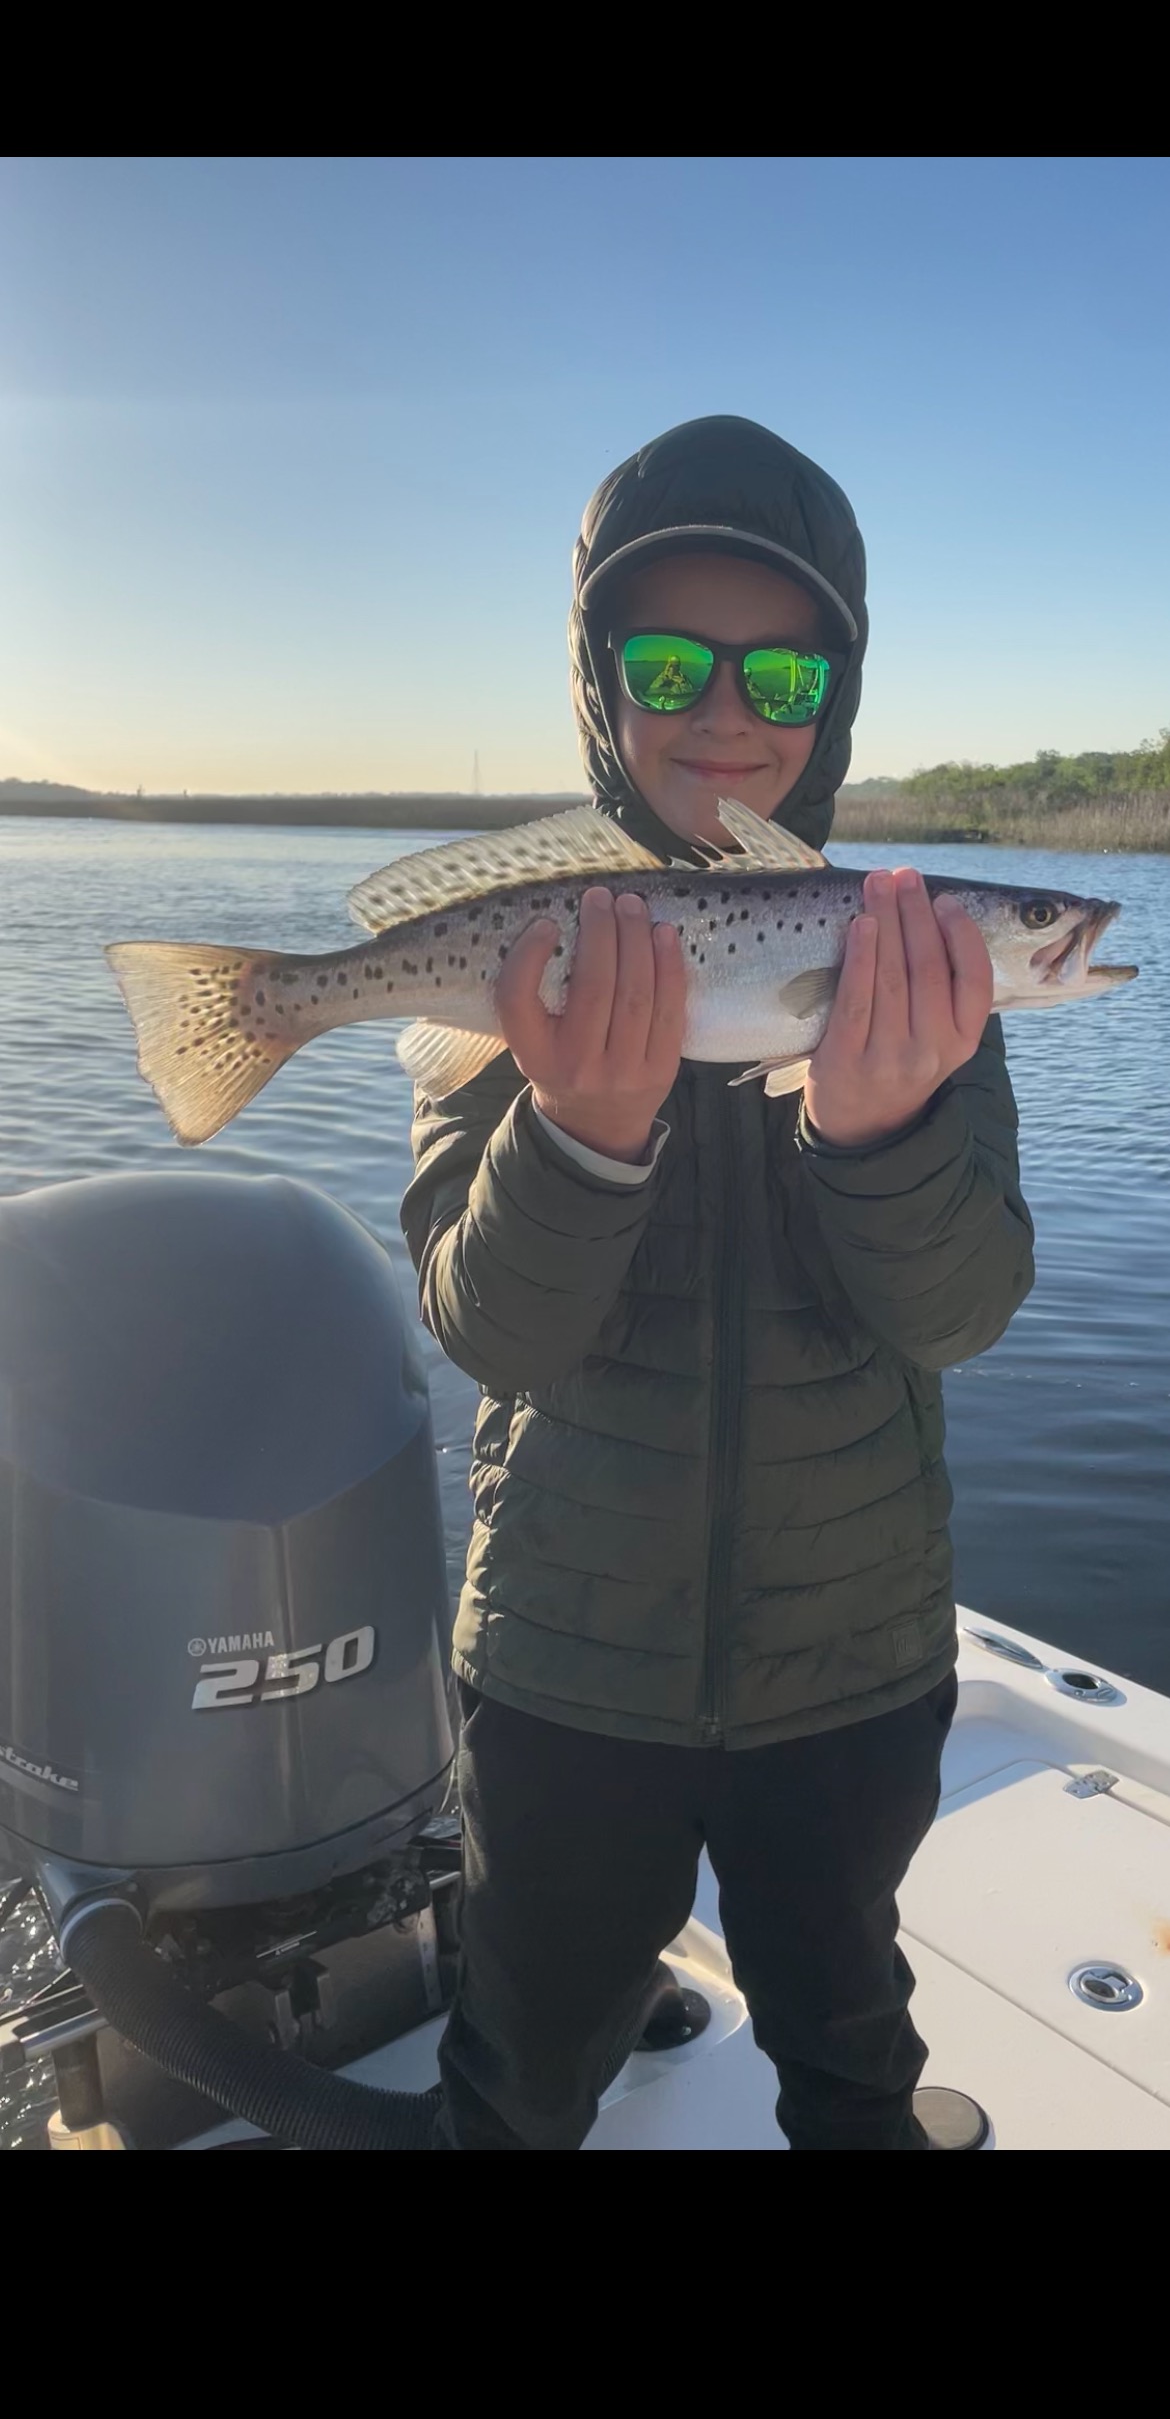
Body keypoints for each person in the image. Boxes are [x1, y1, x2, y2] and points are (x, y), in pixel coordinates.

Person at [401, 413, 1035, 2150]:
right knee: (521, 2054)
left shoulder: (910, 957)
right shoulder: (511, 956)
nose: (728, 715)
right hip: (561, 1666)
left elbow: (958, 1313)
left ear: (838, 695)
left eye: (784, 672)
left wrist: (886, 1129)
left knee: (850, 2038)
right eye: (670, 661)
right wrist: (579, 1135)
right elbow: (489, 1329)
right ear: (599, 684)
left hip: (851, 1662)